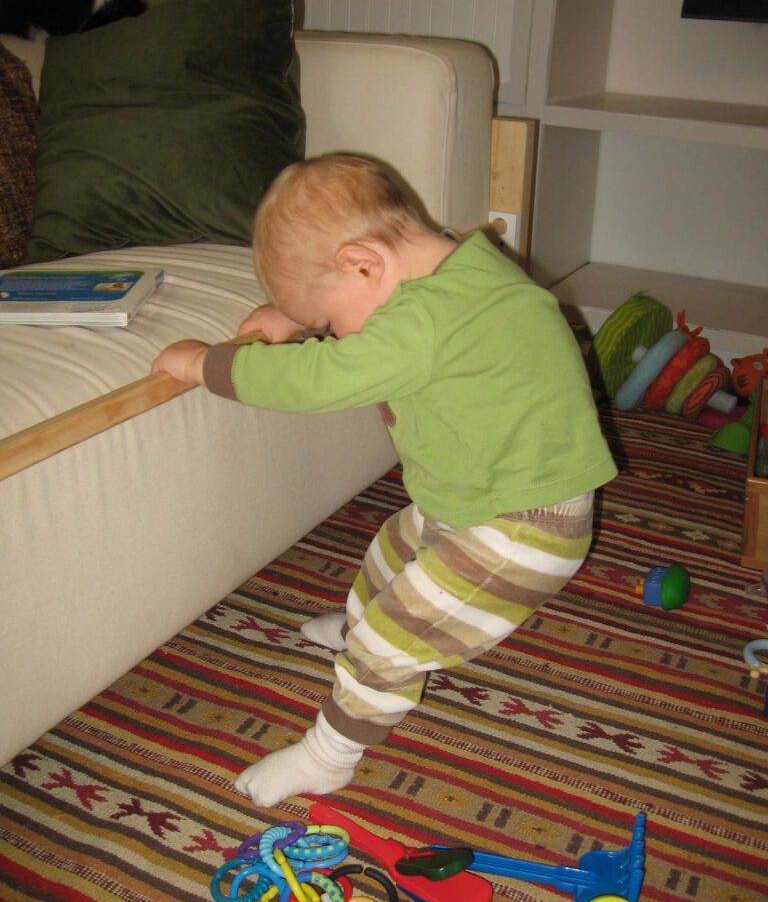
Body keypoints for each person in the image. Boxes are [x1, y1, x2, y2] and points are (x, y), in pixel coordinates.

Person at [152, 154, 617, 808]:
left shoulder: (418, 324)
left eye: (331, 321)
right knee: (390, 550)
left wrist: (208, 365)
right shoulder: (464, 264)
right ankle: (353, 629)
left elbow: (320, 380)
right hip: (473, 497)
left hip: (524, 527)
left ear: (363, 265)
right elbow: (370, 323)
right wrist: (298, 316)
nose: (336, 336)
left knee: (390, 640)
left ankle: (329, 755)